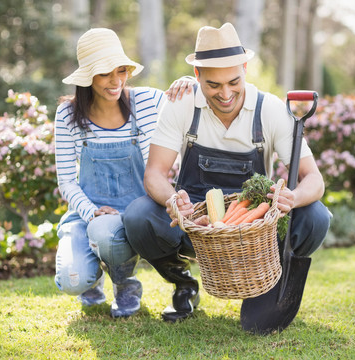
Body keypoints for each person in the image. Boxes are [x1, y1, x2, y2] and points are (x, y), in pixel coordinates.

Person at [123, 23, 331, 322]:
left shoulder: (270, 110)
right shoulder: (182, 105)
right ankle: (183, 284)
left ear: (245, 68)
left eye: (234, 81)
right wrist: (174, 199)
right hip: (197, 223)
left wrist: (293, 198)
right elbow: (154, 174)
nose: (225, 94)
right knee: (138, 216)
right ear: (197, 76)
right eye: (213, 85)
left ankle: (268, 280)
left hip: (255, 226)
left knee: (316, 217)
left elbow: (314, 179)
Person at [53, 28, 191, 318]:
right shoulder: (67, 115)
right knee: (71, 279)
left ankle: (125, 283)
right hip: (89, 213)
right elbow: (66, 181)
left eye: (121, 71)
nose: (116, 81)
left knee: (107, 234)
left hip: (133, 212)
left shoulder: (148, 102)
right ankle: (93, 274)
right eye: (105, 74)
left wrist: (191, 83)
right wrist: (91, 213)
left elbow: (193, 110)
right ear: (87, 77)